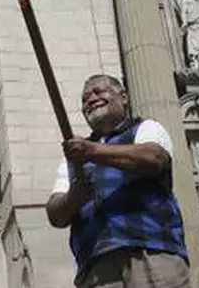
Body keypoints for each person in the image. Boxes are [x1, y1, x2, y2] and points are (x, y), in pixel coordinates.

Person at [46, 74, 190, 287]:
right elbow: (55, 216)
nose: (91, 99)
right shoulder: (73, 157)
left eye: (98, 91)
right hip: (97, 264)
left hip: (151, 251)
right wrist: (73, 197)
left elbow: (154, 159)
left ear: (123, 97)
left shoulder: (146, 128)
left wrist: (92, 151)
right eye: (85, 98)